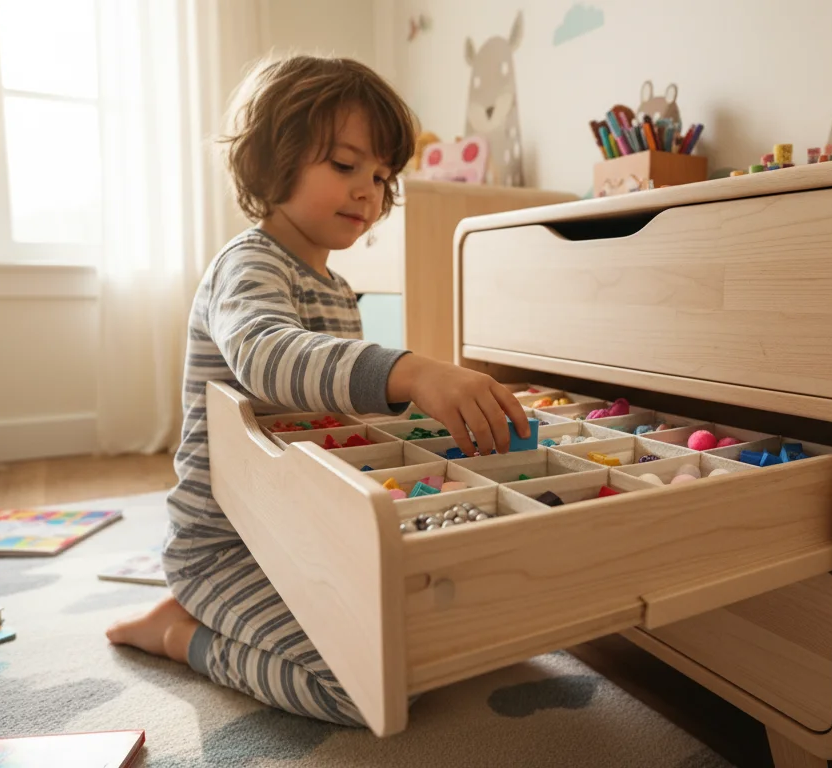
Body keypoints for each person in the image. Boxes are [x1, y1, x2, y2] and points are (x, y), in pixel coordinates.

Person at [106, 54, 530, 726]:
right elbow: (266, 355)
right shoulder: (246, 266)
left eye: (382, 175)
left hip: (303, 529)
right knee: (368, 688)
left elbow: (333, 413)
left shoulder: (335, 289)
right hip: (224, 546)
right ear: (273, 159)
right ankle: (179, 634)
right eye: (343, 165)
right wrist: (414, 371)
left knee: (428, 636)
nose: (368, 190)